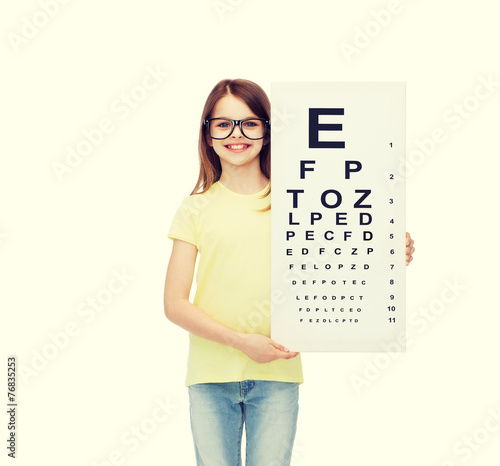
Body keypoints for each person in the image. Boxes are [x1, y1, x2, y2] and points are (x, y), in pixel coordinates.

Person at [163, 78, 415, 466]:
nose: (237, 134)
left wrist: (383, 252)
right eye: (224, 124)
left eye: (250, 123)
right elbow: (175, 304)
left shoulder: (299, 202)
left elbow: (334, 259)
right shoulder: (195, 208)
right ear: (208, 134)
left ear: (267, 130)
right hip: (211, 375)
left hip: (278, 373)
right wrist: (241, 341)